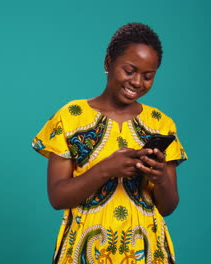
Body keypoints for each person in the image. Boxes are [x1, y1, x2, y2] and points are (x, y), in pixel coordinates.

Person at [31, 23, 187, 264]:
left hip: (146, 252)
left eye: (148, 76)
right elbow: (57, 197)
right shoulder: (70, 117)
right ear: (108, 63)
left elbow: (168, 207)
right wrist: (106, 169)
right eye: (129, 70)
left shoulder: (162, 124)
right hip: (83, 251)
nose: (137, 82)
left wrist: (160, 178)